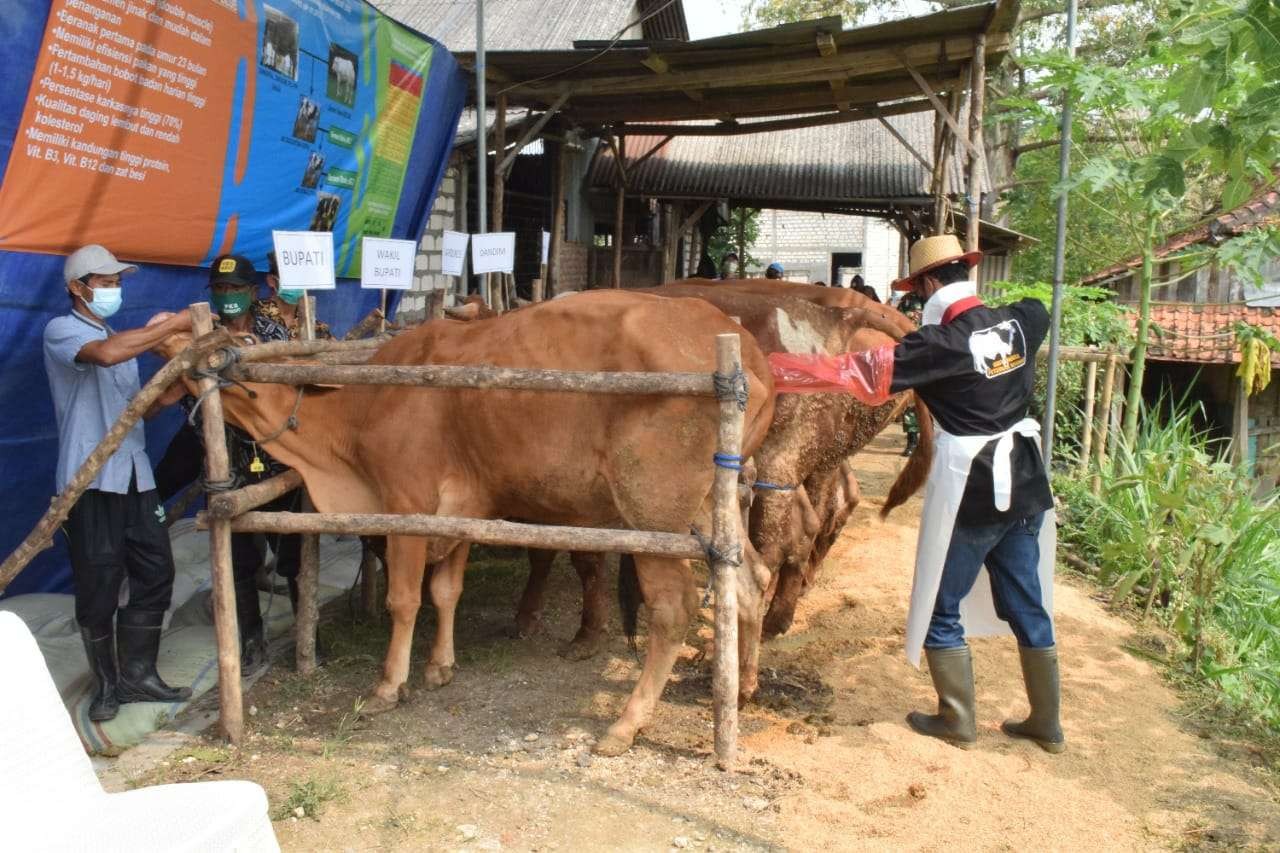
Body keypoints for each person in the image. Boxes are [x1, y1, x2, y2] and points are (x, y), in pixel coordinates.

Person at [769, 234, 1062, 754]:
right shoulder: (1024, 319)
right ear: (966, 273)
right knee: (1027, 602)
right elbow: (1037, 310)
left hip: (974, 491)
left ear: (927, 284)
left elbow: (851, 374)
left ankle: (958, 720)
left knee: (939, 607)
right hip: (1026, 482)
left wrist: (772, 369)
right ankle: (1047, 724)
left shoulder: (938, 347)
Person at [43, 245, 195, 722]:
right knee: (99, 583)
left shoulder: (118, 337)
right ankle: (107, 686)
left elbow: (135, 412)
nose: (113, 289)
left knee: (155, 571)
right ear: (77, 287)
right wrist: (170, 326)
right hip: (90, 482)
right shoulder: (64, 331)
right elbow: (106, 356)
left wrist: (171, 392)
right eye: (105, 281)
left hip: (135, 475)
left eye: (116, 281)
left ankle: (138, 674)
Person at [155, 254, 318, 675]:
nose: (228, 297)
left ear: (253, 291)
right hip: (223, 457)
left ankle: (308, 635)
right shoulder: (197, 336)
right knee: (239, 559)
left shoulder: (272, 333)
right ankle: (251, 641)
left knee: (294, 553)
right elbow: (172, 391)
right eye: (221, 290)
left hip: (273, 453)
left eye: (236, 289)